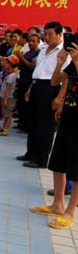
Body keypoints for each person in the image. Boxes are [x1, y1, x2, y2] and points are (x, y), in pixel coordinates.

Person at [30, 43, 78, 229]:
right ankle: (57, 204)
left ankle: (70, 211)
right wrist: (60, 63)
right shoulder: (73, 63)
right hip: (68, 116)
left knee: (75, 165)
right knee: (59, 161)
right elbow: (55, 81)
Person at [16, 22, 70, 168]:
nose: (47, 37)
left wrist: (60, 97)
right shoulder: (43, 49)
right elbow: (38, 70)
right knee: (33, 121)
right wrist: (30, 88)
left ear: (59, 34)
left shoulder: (65, 52)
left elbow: (67, 77)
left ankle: (41, 159)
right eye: (45, 34)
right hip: (36, 86)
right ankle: (31, 153)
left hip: (51, 88)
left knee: (45, 125)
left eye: (50, 34)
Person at [14, 33, 41, 132]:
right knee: (20, 103)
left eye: (33, 41)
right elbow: (21, 65)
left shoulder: (38, 53)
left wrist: (22, 58)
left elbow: (32, 66)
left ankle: (26, 127)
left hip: (29, 82)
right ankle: (21, 123)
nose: (31, 43)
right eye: (29, 41)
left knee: (27, 105)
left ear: (38, 42)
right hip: (22, 80)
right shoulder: (27, 53)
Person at [0, 55, 18, 136]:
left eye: (6, 63)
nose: (4, 64)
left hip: (8, 98)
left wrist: (5, 99)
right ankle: (3, 127)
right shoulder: (9, 74)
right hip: (5, 97)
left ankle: (6, 129)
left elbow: (8, 89)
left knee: (8, 115)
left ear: (10, 64)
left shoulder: (11, 76)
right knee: (5, 114)